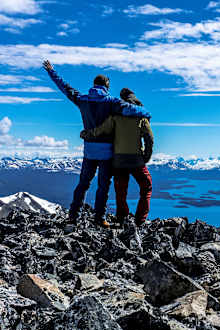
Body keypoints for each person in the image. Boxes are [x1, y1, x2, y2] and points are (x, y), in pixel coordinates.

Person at [42, 60, 151, 228]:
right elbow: (132, 110)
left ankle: (73, 217)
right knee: (103, 186)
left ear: (93, 85)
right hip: (107, 153)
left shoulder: (82, 100)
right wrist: (146, 113)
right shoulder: (112, 102)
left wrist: (52, 72)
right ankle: (99, 218)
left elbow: (65, 87)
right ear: (107, 86)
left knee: (83, 184)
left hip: (89, 152)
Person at [80, 87, 153, 227]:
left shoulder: (115, 115)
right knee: (146, 186)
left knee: (121, 190)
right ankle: (140, 220)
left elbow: (100, 130)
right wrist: (146, 157)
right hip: (136, 160)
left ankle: (122, 217)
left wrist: (86, 134)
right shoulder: (141, 117)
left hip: (118, 160)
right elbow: (149, 138)